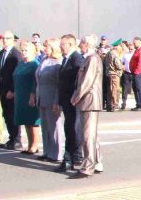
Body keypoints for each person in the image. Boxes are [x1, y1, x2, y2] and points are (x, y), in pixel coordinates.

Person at [70, 34, 103, 177]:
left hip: (90, 100)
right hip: (88, 100)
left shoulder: (92, 59)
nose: (80, 46)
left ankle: (88, 166)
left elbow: (87, 81)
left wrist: (76, 96)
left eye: (81, 43)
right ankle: (96, 162)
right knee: (91, 134)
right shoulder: (89, 58)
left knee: (87, 135)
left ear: (87, 44)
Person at [55, 34, 84, 172]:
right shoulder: (66, 59)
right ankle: (73, 157)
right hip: (67, 101)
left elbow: (78, 82)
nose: (60, 46)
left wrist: (74, 97)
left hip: (74, 101)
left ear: (71, 44)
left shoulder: (76, 59)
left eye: (63, 44)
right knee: (69, 129)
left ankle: (72, 158)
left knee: (74, 129)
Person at [36, 38, 65, 163]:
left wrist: (57, 101)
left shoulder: (58, 62)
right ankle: (47, 151)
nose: (44, 48)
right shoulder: (44, 60)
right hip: (41, 96)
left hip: (52, 97)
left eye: (46, 46)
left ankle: (57, 154)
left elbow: (60, 84)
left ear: (53, 48)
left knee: (55, 127)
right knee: (45, 126)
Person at [13, 40, 41, 154]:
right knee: (25, 121)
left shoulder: (35, 64)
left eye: (26, 51)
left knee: (33, 122)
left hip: (30, 95)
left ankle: (35, 145)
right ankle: (29, 145)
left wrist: (32, 95)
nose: (23, 53)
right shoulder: (21, 63)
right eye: (22, 51)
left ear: (32, 52)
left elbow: (36, 81)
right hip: (20, 95)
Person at [0, 31, 22, 150]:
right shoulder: (2, 52)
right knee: (6, 115)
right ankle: (11, 138)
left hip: (11, 90)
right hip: (3, 89)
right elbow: (1, 71)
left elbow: (15, 74)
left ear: (13, 40)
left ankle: (17, 140)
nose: (5, 40)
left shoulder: (15, 54)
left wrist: (12, 89)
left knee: (12, 115)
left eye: (7, 38)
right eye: (3, 38)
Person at [128, 36, 141, 111]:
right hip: (135, 72)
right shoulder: (138, 50)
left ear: (139, 42)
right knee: (135, 89)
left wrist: (136, 72)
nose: (134, 45)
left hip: (138, 73)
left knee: (139, 89)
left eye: (135, 43)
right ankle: (138, 104)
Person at [105, 42, 124, 112]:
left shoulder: (109, 53)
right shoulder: (114, 53)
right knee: (114, 90)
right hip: (114, 74)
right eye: (120, 46)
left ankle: (110, 105)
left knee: (110, 89)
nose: (121, 48)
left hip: (110, 73)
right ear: (117, 46)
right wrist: (122, 67)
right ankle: (113, 104)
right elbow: (117, 64)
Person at [120, 41, 133, 110]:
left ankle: (139, 103)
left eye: (132, 49)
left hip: (134, 73)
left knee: (136, 88)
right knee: (124, 89)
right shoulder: (125, 55)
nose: (131, 50)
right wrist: (123, 68)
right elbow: (122, 63)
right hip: (126, 73)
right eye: (130, 49)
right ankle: (124, 103)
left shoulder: (135, 54)